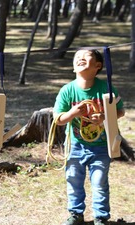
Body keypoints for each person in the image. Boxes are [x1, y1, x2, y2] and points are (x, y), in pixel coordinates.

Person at [53, 49, 125, 225]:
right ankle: (76, 214)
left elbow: (120, 111)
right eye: (77, 56)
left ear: (98, 66)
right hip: (75, 145)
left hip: (101, 145)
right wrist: (72, 113)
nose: (80, 58)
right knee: (73, 180)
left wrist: (104, 117)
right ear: (73, 67)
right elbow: (58, 119)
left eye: (86, 56)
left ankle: (101, 217)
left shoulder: (106, 88)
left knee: (99, 182)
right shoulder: (67, 90)